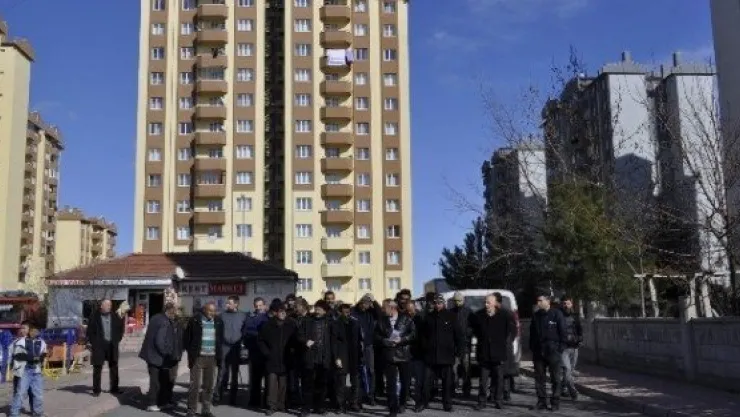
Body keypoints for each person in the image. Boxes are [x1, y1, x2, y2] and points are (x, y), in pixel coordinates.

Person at [416, 294, 462, 413]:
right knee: (426, 382)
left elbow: (458, 336)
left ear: (444, 303)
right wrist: (425, 347)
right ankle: (423, 403)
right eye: (435, 303)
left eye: (439, 303)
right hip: (430, 356)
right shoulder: (428, 317)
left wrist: (458, 353)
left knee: (447, 384)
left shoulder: (451, 316)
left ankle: (447, 405)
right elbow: (423, 335)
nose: (437, 305)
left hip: (446, 356)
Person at [470, 294, 515, 410]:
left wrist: (499, 341)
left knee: (499, 379)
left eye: (488, 302)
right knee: (483, 380)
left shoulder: (504, 315)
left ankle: (498, 400)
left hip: (498, 352)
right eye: (485, 302)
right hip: (484, 353)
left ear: (495, 303)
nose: (486, 305)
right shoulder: (479, 315)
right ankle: (482, 401)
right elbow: (476, 331)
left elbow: (509, 331)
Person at [375, 300, 416, 417]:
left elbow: (413, 334)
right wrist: (384, 341)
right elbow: (376, 336)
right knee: (391, 383)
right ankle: (393, 409)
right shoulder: (381, 321)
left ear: (392, 308)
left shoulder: (406, 319)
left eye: (385, 308)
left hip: (404, 354)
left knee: (405, 382)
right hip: (389, 354)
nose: (383, 310)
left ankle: (402, 403)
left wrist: (402, 340)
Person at [183, 302, 223, 417]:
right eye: (210, 310)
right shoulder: (194, 320)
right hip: (198, 358)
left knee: (208, 386)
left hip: (212, 357)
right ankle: (191, 410)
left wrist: (219, 355)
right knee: (194, 385)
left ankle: (206, 410)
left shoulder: (219, 321)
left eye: (214, 311)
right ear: (204, 310)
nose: (212, 313)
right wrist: (191, 353)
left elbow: (219, 339)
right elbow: (186, 338)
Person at [258, 302, 297, 416]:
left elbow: (295, 340)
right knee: (272, 384)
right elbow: (260, 341)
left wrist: (293, 351)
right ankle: (271, 406)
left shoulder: (291, 325)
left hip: (285, 359)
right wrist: (267, 353)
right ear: (276, 313)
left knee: (283, 384)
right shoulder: (267, 325)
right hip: (272, 359)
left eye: (284, 311)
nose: (283, 313)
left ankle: (281, 405)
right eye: (280, 311)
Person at [139, 302, 179, 412]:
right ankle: (152, 403)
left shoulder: (155, 317)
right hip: (156, 356)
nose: (175, 314)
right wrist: (166, 353)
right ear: (170, 311)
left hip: (150, 354)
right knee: (156, 381)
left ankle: (162, 402)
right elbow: (159, 341)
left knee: (158, 380)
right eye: (174, 311)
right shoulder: (164, 322)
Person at [529, 294, 567, 411]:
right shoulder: (536, 315)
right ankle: (541, 401)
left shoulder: (556, 314)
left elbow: (563, 332)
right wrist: (533, 347)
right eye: (537, 301)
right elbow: (532, 333)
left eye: (540, 300)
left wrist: (560, 349)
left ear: (548, 301)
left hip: (553, 351)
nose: (538, 303)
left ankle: (555, 402)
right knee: (539, 378)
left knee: (555, 378)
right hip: (538, 351)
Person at [297, 300, 333, 417]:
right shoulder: (307, 321)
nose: (317, 310)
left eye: (320, 308)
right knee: (307, 384)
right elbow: (299, 335)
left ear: (325, 311)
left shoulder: (330, 322)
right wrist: (305, 341)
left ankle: (319, 407)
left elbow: (334, 340)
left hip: (324, 357)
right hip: (310, 356)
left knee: (321, 385)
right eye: (316, 307)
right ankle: (306, 408)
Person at [214, 295, 248, 405]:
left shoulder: (243, 315)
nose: (227, 305)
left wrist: (242, 343)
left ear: (236, 304)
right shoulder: (221, 315)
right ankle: (217, 396)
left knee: (234, 374)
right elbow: (217, 332)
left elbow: (245, 331)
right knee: (222, 373)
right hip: (224, 347)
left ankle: (233, 398)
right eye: (227, 303)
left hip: (236, 348)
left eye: (229, 303)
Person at [87, 299, 125, 396]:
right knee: (97, 368)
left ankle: (114, 388)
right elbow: (89, 332)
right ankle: (96, 390)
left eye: (110, 305)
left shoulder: (115, 316)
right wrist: (94, 342)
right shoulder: (94, 316)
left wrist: (117, 339)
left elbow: (120, 328)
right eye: (107, 305)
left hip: (112, 345)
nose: (109, 307)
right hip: (99, 345)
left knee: (114, 366)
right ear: (101, 306)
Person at [9, 321, 46, 417]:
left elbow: (42, 355)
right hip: (24, 371)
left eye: (24, 328)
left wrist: (41, 358)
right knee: (20, 393)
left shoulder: (41, 342)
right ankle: (14, 413)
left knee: (38, 394)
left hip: (36, 371)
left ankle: (37, 413)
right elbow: (13, 355)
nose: (22, 330)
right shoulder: (18, 342)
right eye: (21, 328)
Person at [334, 303, 362, 412]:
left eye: (348, 311)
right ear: (340, 312)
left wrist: (361, 355)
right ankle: (340, 404)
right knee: (341, 382)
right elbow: (334, 342)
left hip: (354, 355)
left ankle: (354, 402)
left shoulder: (355, 323)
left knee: (355, 381)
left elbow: (359, 340)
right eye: (344, 311)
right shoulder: (335, 324)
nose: (347, 313)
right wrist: (336, 357)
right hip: (341, 355)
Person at [351, 295, 377, 406]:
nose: (365, 306)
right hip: (356, 346)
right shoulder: (353, 313)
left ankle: (371, 396)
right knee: (358, 372)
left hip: (368, 346)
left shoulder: (371, 313)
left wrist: (374, 302)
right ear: (360, 302)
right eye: (363, 303)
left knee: (371, 371)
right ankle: (359, 396)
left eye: (367, 304)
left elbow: (380, 314)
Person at [245, 297, 269, 409]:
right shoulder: (250, 317)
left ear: (264, 305)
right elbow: (246, 332)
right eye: (256, 306)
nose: (258, 308)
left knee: (268, 379)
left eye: (260, 305)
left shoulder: (268, 317)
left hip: (266, 353)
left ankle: (267, 402)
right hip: (254, 351)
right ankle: (254, 401)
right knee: (255, 379)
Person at [449, 291, 473, 397]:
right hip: (454, 346)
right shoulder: (450, 312)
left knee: (466, 369)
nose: (457, 302)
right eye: (455, 301)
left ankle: (466, 390)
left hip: (465, 345)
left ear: (463, 300)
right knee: (453, 369)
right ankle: (453, 388)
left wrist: (466, 334)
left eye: (459, 300)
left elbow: (473, 326)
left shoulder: (468, 312)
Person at [560, 296, 583, 400]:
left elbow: (580, 331)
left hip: (574, 348)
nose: (566, 305)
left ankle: (563, 388)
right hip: (563, 348)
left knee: (570, 370)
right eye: (564, 303)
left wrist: (579, 339)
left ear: (571, 304)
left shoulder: (575, 317)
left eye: (568, 303)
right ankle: (573, 391)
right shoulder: (558, 316)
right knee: (567, 369)